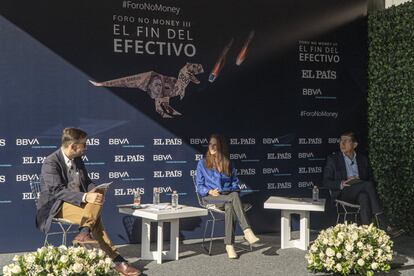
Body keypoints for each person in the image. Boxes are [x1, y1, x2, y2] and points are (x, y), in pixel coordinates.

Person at [36, 128, 140, 276]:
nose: (86, 148)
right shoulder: (51, 162)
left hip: (79, 203)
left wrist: (94, 190)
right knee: (94, 217)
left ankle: (84, 233)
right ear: (73, 146)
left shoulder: (77, 159)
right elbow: (57, 191)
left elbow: (87, 181)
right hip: (56, 206)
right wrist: (85, 197)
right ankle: (115, 258)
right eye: (84, 144)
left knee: (97, 196)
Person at [323, 131, 404, 237]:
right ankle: (383, 222)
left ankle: (367, 233)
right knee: (368, 185)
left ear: (354, 145)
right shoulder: (333, 159)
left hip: (360, 190)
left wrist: (359, 180)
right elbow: (326, 182)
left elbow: (371, 179)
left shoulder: (363, 159)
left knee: (364, 197)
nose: (342, 144)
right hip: (344, 192)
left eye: (346, 141)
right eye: (341, 141)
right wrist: (342, 183)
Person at [195, 134, 260, 259]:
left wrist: (231, 190)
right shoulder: (202, 163)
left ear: (220, 147)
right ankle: (247, 230)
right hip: (211, 197)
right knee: (233, 198)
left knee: (232, 199)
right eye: (210, 144)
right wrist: (209, 191)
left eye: (215, 144)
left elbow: (235, 183)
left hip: (227, 196)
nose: (212, 147)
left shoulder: (228, 163)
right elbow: (199, 185)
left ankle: (229, 245)